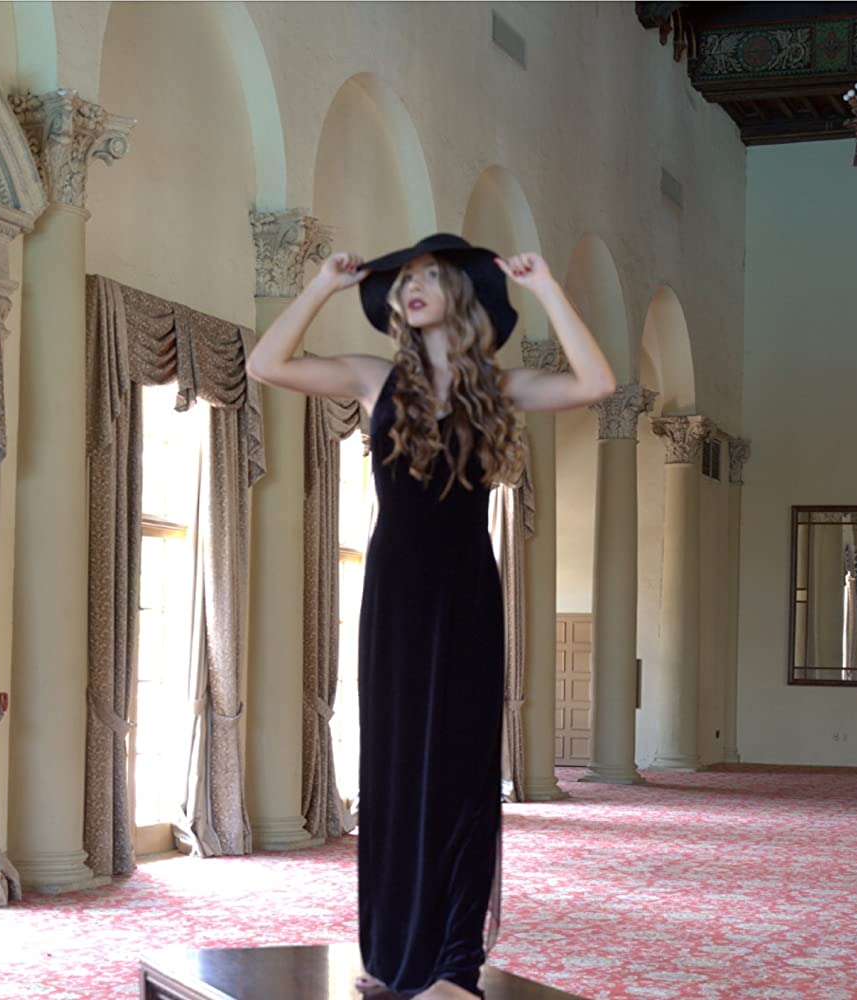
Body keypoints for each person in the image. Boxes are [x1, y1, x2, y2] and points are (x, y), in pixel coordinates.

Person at [245, 233, 617, 999]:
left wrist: (546, 288)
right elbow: (265, 364)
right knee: (392, 772)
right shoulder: (373, 378)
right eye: (404, 278)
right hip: (394, 595)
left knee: (461, 775)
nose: (410, 287)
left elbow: (596, 382)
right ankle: (390, 956)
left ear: (462, 293)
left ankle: (453, 966)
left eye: (429, 276)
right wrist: (320, 286)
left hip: (467, 594)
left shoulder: (500, 389)